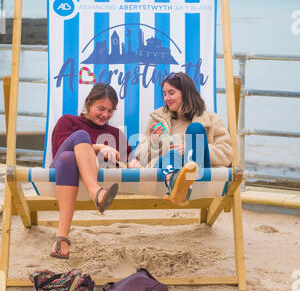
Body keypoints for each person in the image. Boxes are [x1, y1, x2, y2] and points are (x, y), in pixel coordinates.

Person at [50, 82, 139, 259]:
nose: (105, 114)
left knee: (70, 158)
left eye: (110, 110)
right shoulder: (69, 121)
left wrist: (134, 162)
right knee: (76, 143)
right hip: (58, 176)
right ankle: (96, 193)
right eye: (101, 108)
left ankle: (62, 238)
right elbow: (61, 150)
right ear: (89, 103)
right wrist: (97, 147)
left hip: (79, 177)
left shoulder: (115, 134)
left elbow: (127, 159)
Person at [134, 72, 233, 205]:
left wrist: (191, 149)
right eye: (164, 94)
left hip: (199, 175)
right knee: (172, 154)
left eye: (171, 93)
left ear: (185, 93)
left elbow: (226, 154)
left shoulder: (211, 120)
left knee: (196, 129)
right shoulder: (158, 120)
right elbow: (140, 156)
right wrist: (154, 141)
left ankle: (185, 185)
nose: (166, 98)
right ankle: (177, 185)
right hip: (165, 173)